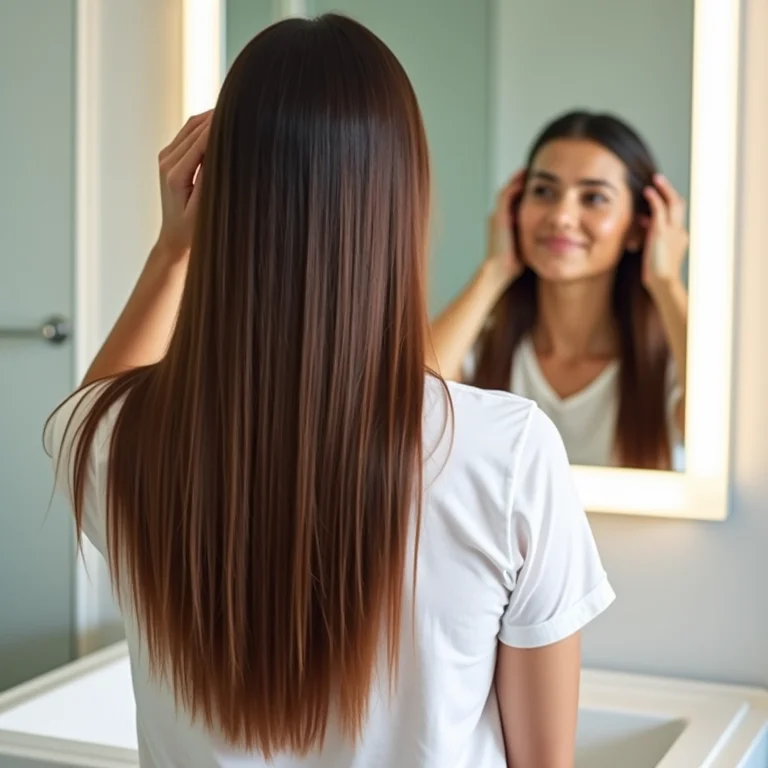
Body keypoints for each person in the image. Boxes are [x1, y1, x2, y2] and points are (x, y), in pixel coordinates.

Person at [44, 16, 613, 768]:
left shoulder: (118, 442)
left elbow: (92, 408)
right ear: (403, 200)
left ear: (214, 194)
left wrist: (171, 250)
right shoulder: (508, 452)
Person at [429, 111, 689, 469]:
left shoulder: (667, 361)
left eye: (594, 198)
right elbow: (409, 410)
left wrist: (666, 281)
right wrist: (494, 271)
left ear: (639, 228)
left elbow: (716, 435)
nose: (561, 216)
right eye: (544, 191)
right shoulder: (484, 347)